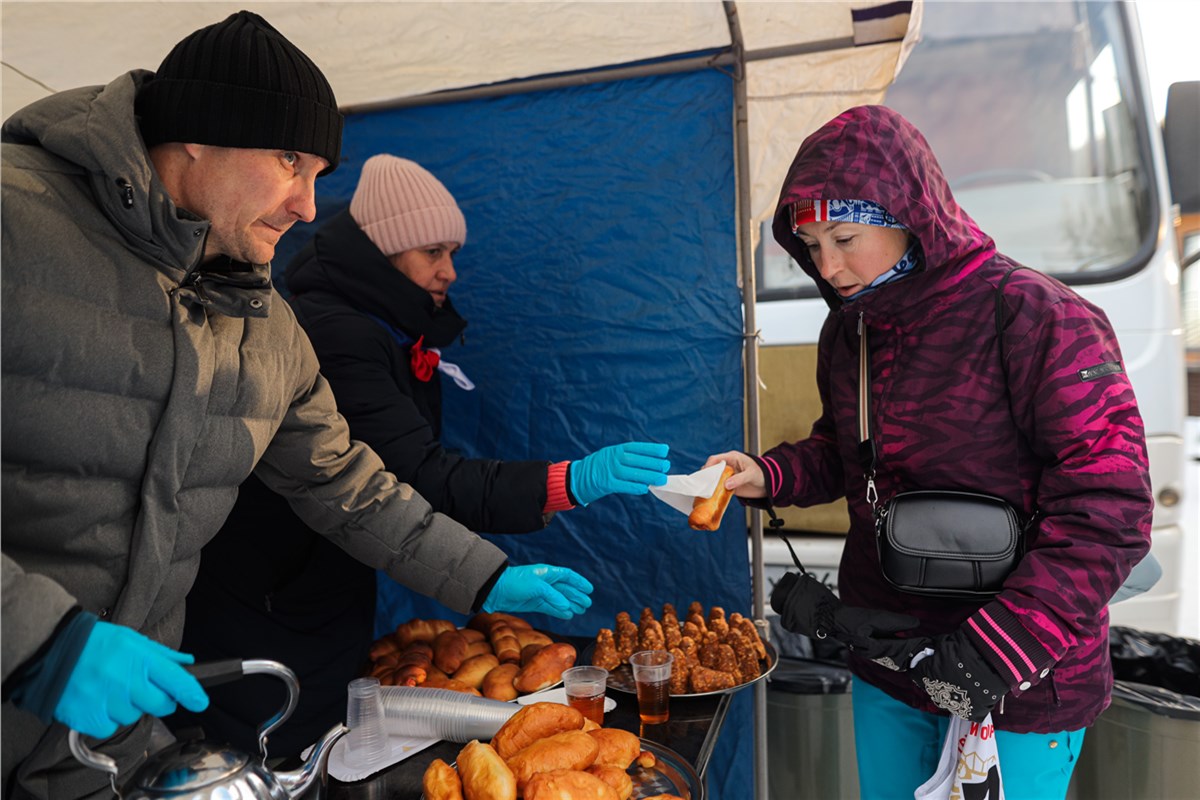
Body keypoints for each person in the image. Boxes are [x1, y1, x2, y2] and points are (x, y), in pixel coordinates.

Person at [0, 12, 595, 798]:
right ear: (195, 137)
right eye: (290, 161)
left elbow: (347, 484)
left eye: (318, 171)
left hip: (102, 754)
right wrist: (33, 640)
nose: (310, 206)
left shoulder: (265, 324)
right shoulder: (16, 224)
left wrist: (481, 578)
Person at [706, 105, 1152, 800]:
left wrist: (999, 650)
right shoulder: (849, 332)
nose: (828, 264)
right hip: (891, 660)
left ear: (909, 214)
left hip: (1019, 678)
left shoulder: (1037, 316)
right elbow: (848, 453)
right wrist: (770, 474)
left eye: (845, 237)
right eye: (810, 243)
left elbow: (1110, 505)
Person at [177, 154, 672, 758]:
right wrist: (564, 483)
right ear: (385, 252)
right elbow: (414, 476)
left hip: (323, 586)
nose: (450, 272)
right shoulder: (337, 335)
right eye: (433, 252)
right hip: (268, 603)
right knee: (272, 758)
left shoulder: (385, 327)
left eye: (453, 254)